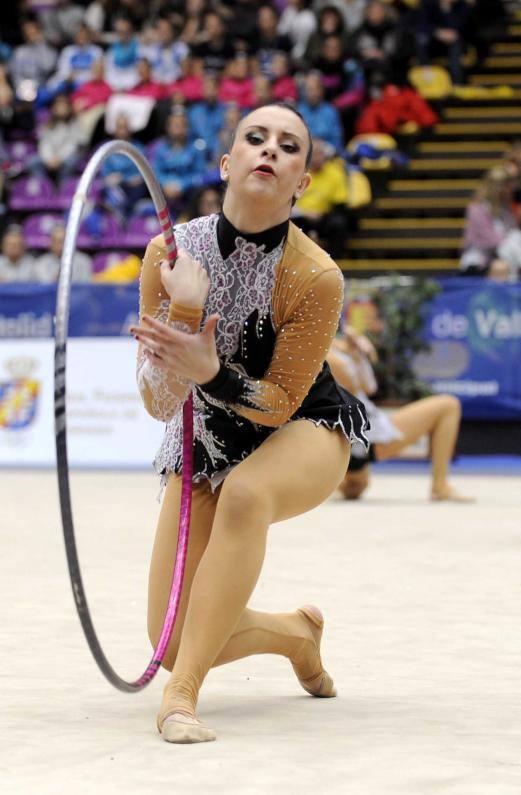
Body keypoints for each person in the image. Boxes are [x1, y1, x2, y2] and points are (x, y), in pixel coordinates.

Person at [128, 101, 369, 743]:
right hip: (206, 438)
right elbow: (157, 402)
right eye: (255, 139)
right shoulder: (168, 254)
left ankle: (181, 698)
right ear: (227, 161)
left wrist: (213, 373)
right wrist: (182, 310)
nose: (271, 150)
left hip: (303, 428)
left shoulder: (315, 275)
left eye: (290, 147)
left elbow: (281, 400)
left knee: (247, 493)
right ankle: (298, 634)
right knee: (172, 637)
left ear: (302, 181)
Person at [327, 327, 470, 502]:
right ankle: (440, 486)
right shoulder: (319, 349)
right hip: (353, 436)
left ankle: (327, 482)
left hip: (358, 433)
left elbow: (369, 387)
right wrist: (349, 354)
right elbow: (348, 383)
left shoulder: (336, 346)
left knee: (355, 488)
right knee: (448, 406)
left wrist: (357, 355)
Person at [291, 138, 349, 257]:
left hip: (325, 216)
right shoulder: (297, 172)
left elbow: (340, 201)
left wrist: (322, 213)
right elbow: (287, 201)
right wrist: (304, 213)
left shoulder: (335, 173)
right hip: (300, 216)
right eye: (315, 153)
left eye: (321, 153)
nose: (319, 157)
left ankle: (334, 258)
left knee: (339, 222)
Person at [459, 166, 516, 273]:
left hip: (503, 263)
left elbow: (513, 232)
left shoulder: (506, 210)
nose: (510, 190)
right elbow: (489, 240)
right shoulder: (477, 209)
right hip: (478, 265)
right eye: (506, 186)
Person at [31, 92, 84, 184]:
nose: (61, 109)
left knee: (70, 163)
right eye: (59, 106)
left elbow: (72, 145)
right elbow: (44, 143)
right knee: (32, 162)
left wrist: (59, 158)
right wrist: (49, 158)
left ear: (69, 108)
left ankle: (62, 188)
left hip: (66, 157)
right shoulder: (47, 125)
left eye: (64, 106)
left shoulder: (75, 124)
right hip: (50, 157)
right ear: (54, 109)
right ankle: (45, 187)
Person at [297, 71, 344, 152]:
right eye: (309, 89)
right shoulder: (298, 111)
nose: (313, 93)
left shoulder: (331, 111)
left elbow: (337, 141)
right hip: (304, 153)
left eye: (316, 89)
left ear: (322, 91)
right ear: (304, 91)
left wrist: (323, 147)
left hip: (326, 154)